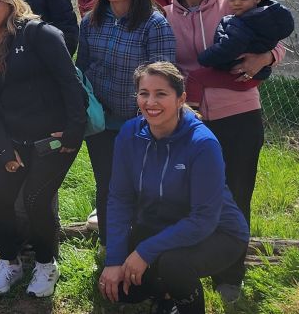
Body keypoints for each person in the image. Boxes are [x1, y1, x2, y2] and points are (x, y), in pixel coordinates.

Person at [163, 0, 285, 302]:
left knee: (237, 193)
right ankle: (190, 267)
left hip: (240, 115)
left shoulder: (231, 4)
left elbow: (275, 42)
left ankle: (230, 273)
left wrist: (264, 60)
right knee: (189, 197)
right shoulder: (165, 16)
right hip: (191, 119)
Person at [98, 62, 250, 314]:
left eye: (161, 94)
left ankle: (186, 303)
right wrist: (114, 260)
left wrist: (144, 252)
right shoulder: (129, 134)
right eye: (144, 93)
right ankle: (167, 295)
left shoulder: (202, 144)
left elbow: (203, 219)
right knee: (129, 290)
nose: (150, 102)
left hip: (219, 232)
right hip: (163, 223)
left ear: (181, 99)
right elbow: (119, 199)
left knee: (174, 265)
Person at [0, 0, 86, 298]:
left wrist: (74, 133)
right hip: (14, 141)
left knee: (35, 201)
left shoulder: (40, 34)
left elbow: (70, 84)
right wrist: (4, 148)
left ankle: (47, 265)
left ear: (10, 2)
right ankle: (10, 262)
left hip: (54, 140)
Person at [76, 0, 175, 247]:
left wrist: (153, 118)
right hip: (102, 123)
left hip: (142, 124)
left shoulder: (153, 24)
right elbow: (82, 69)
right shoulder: (90, 22)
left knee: (143, 188)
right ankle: (112, 250)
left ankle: (144, 251)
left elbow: (165, 77)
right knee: (107, 186)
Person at [187, 0, 294, 105]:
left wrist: (204, 58)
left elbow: (228, 47)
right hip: (254, 75)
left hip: (238, 74)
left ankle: (191, 118)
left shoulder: (243, 23)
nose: (236, 3)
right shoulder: (266, 18)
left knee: (195, 78)